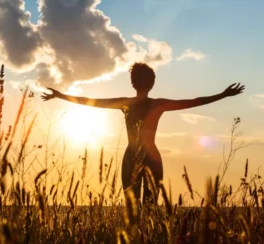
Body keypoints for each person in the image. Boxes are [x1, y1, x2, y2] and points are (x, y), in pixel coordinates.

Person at [42, 63, 245, 205]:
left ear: (133, 83)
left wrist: (60, 95)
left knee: (132, 205)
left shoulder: (126, 104)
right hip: (153, 157)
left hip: (131, 155)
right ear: (152, 83)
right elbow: (194, 101)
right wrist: (223, 95)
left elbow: (88, 100)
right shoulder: (158, 104)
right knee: (150, 205)